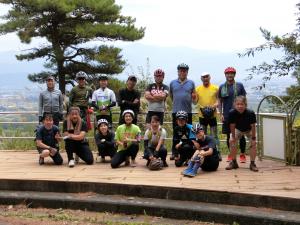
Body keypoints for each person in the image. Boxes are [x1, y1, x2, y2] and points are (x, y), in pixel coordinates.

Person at [218, 67, 247, 163]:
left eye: (231, 73)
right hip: (227, 115)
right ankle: (231, 154)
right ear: (225, 75)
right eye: (228, 73)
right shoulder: (222, 87)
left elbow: (244, 100)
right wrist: (221, 114)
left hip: (239, 114)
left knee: (241, 135)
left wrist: (245, 112)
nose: (230, 75)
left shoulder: (239, 85)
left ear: (234, 74)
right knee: (228, 136)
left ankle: (242, 154)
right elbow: (220, 101)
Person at [170, 63, 196, 160]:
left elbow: (194, 100)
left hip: (188, 112)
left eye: (184, 70)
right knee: (175, 133)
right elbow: (172, 96)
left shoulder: (191, 83)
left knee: (189, 133)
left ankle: (188, 152)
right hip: (176, 111)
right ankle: (174, 152)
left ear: (187, 72)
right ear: (178, 71)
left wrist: (193, 98)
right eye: (181, 70)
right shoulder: (172, 83)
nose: (182, 72)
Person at [225, 96, 258, 172]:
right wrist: (233, 137)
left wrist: (253, 138)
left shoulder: (250, 113)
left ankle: (252, 163)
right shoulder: (232, 113)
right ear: (235, 105)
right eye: (238, 104)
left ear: (245, 105)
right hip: (238, 129)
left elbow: (253, 126)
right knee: (231, 141)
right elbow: (232, 125)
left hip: (249, 129)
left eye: (242, 104)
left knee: (254, 143)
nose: (240, 106)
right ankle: (234, 162)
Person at [194, 72, 221, 161]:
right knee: (202, 136)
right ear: (201, 79)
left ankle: (217, 153)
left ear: (209, 77)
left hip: (212, 115)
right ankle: (204, 153)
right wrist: (193, 97)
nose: (205, 78)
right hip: (202, 116)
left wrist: (213, 106)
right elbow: (195, 102)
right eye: (203, 77)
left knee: (214, 135)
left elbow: (218, 100)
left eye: (206, 77)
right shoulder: (197, 89)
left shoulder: (215, 88)